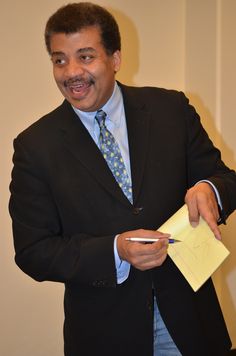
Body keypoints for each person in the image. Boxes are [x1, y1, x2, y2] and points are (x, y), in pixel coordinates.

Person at [9, 2, 236, 356]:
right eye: (59, 60)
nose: (71, 72)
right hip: (104, 334)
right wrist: (115, 251)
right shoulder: (35, 147)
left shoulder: (171, 110)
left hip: (192, 324)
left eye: (85, 56)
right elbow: (33, 251)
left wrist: (210, 190)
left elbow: (224, 178)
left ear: (115, 58)